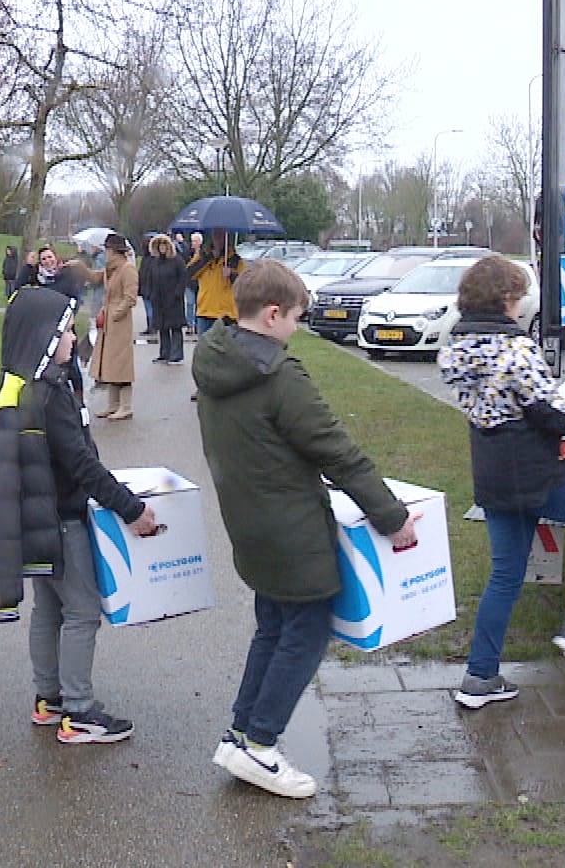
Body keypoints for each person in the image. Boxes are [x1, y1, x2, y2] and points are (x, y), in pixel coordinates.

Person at [194, 259, 414, 799]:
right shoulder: (279, 374)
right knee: (307, 629)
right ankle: (262, 746)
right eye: (295, 318)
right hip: (291, 529)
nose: (296, 329)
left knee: (273, 626)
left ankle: (239, 735)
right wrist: (394, 518)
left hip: (250, 525)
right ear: (272, 315)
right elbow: (336, 450)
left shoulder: (213, 359)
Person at [438, 256, 565, 710]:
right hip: (535, 474)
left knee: (506, 574)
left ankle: (480, 676)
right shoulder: (516, 350)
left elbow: (511, 406)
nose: (519, 305)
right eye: (517, 296)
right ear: (506, 299)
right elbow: (554, 416)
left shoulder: (453, 349)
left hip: (491, 474)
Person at [0, 286, 158, 744]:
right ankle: (79, 711)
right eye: (66, 331)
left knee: (49, 609)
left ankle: (48, 698)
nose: (73, 338)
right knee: (82, 611)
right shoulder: (49, 396)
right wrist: (131, 508)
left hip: (30, 519)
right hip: (60, 520)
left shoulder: (12, 384)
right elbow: (82, 465)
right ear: (44, 338)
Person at [88, 234, 138, 420]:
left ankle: (126, 406)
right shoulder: (112, 270)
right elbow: (95, 278)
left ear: (114, 251)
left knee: (121, 363)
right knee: (110, 363)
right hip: (109, 320)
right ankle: (113, 405)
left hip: (120, 322)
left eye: (107, 249)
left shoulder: (128, 269)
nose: (105, 253)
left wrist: (116, 313)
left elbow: (130, 297)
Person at [141, 235, 188, 365]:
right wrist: (149, 293)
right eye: (160, 246)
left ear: (169, 247)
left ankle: (177, 355)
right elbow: (149, 278)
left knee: (175, 327)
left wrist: (178, 293)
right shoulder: (155, 262)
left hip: (173, 300)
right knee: (162, 327)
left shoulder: (177, 260)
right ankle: (164, 353)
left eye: (164, 245)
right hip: (159, 300)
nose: (162, 248)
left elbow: (183, 277)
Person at [188, 229, 241, 336]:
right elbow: (189, 274)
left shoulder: (235, 260)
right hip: (205, 311)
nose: (217, 239)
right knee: (203, 349)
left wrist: (231, 274)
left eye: (221, 236)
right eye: (215, 236)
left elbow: (243, 284)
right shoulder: (203, 256)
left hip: (226, 314)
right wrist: (209, 258)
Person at [15, 245, 81, 300]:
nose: (47, 261)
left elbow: (75, 298)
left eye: (50, 257)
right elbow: (17, 287)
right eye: (43, 259)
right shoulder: (36, 275)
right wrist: (28, 265)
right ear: (40, 262)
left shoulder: (67, 274)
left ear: (55, 257)